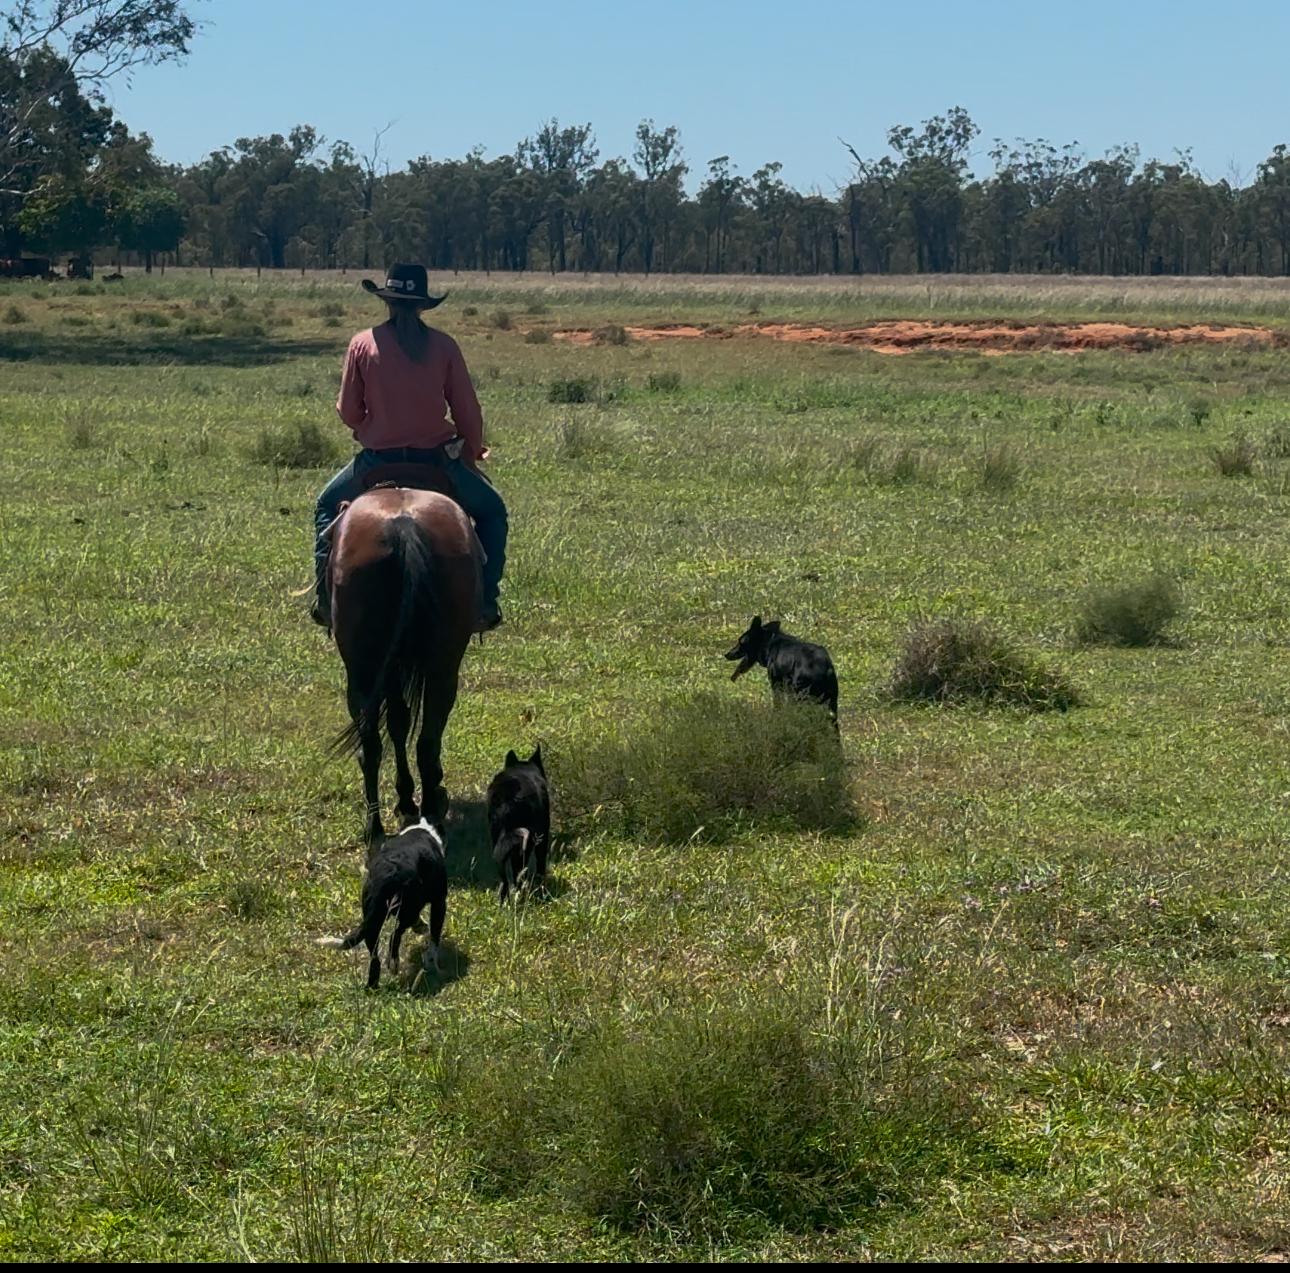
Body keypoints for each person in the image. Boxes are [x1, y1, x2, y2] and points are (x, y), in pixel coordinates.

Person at [311, 263, 507, 632]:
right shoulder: (444, 346)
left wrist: (369, 428)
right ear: (421, 304)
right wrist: (472, 450)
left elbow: (348, 411)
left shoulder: (362, 344)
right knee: (493, 513)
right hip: (437, 460)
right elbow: (467, 409)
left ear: (387, 301)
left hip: (377, 461)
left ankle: (324, 600)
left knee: (325, 505)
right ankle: (485, 601)